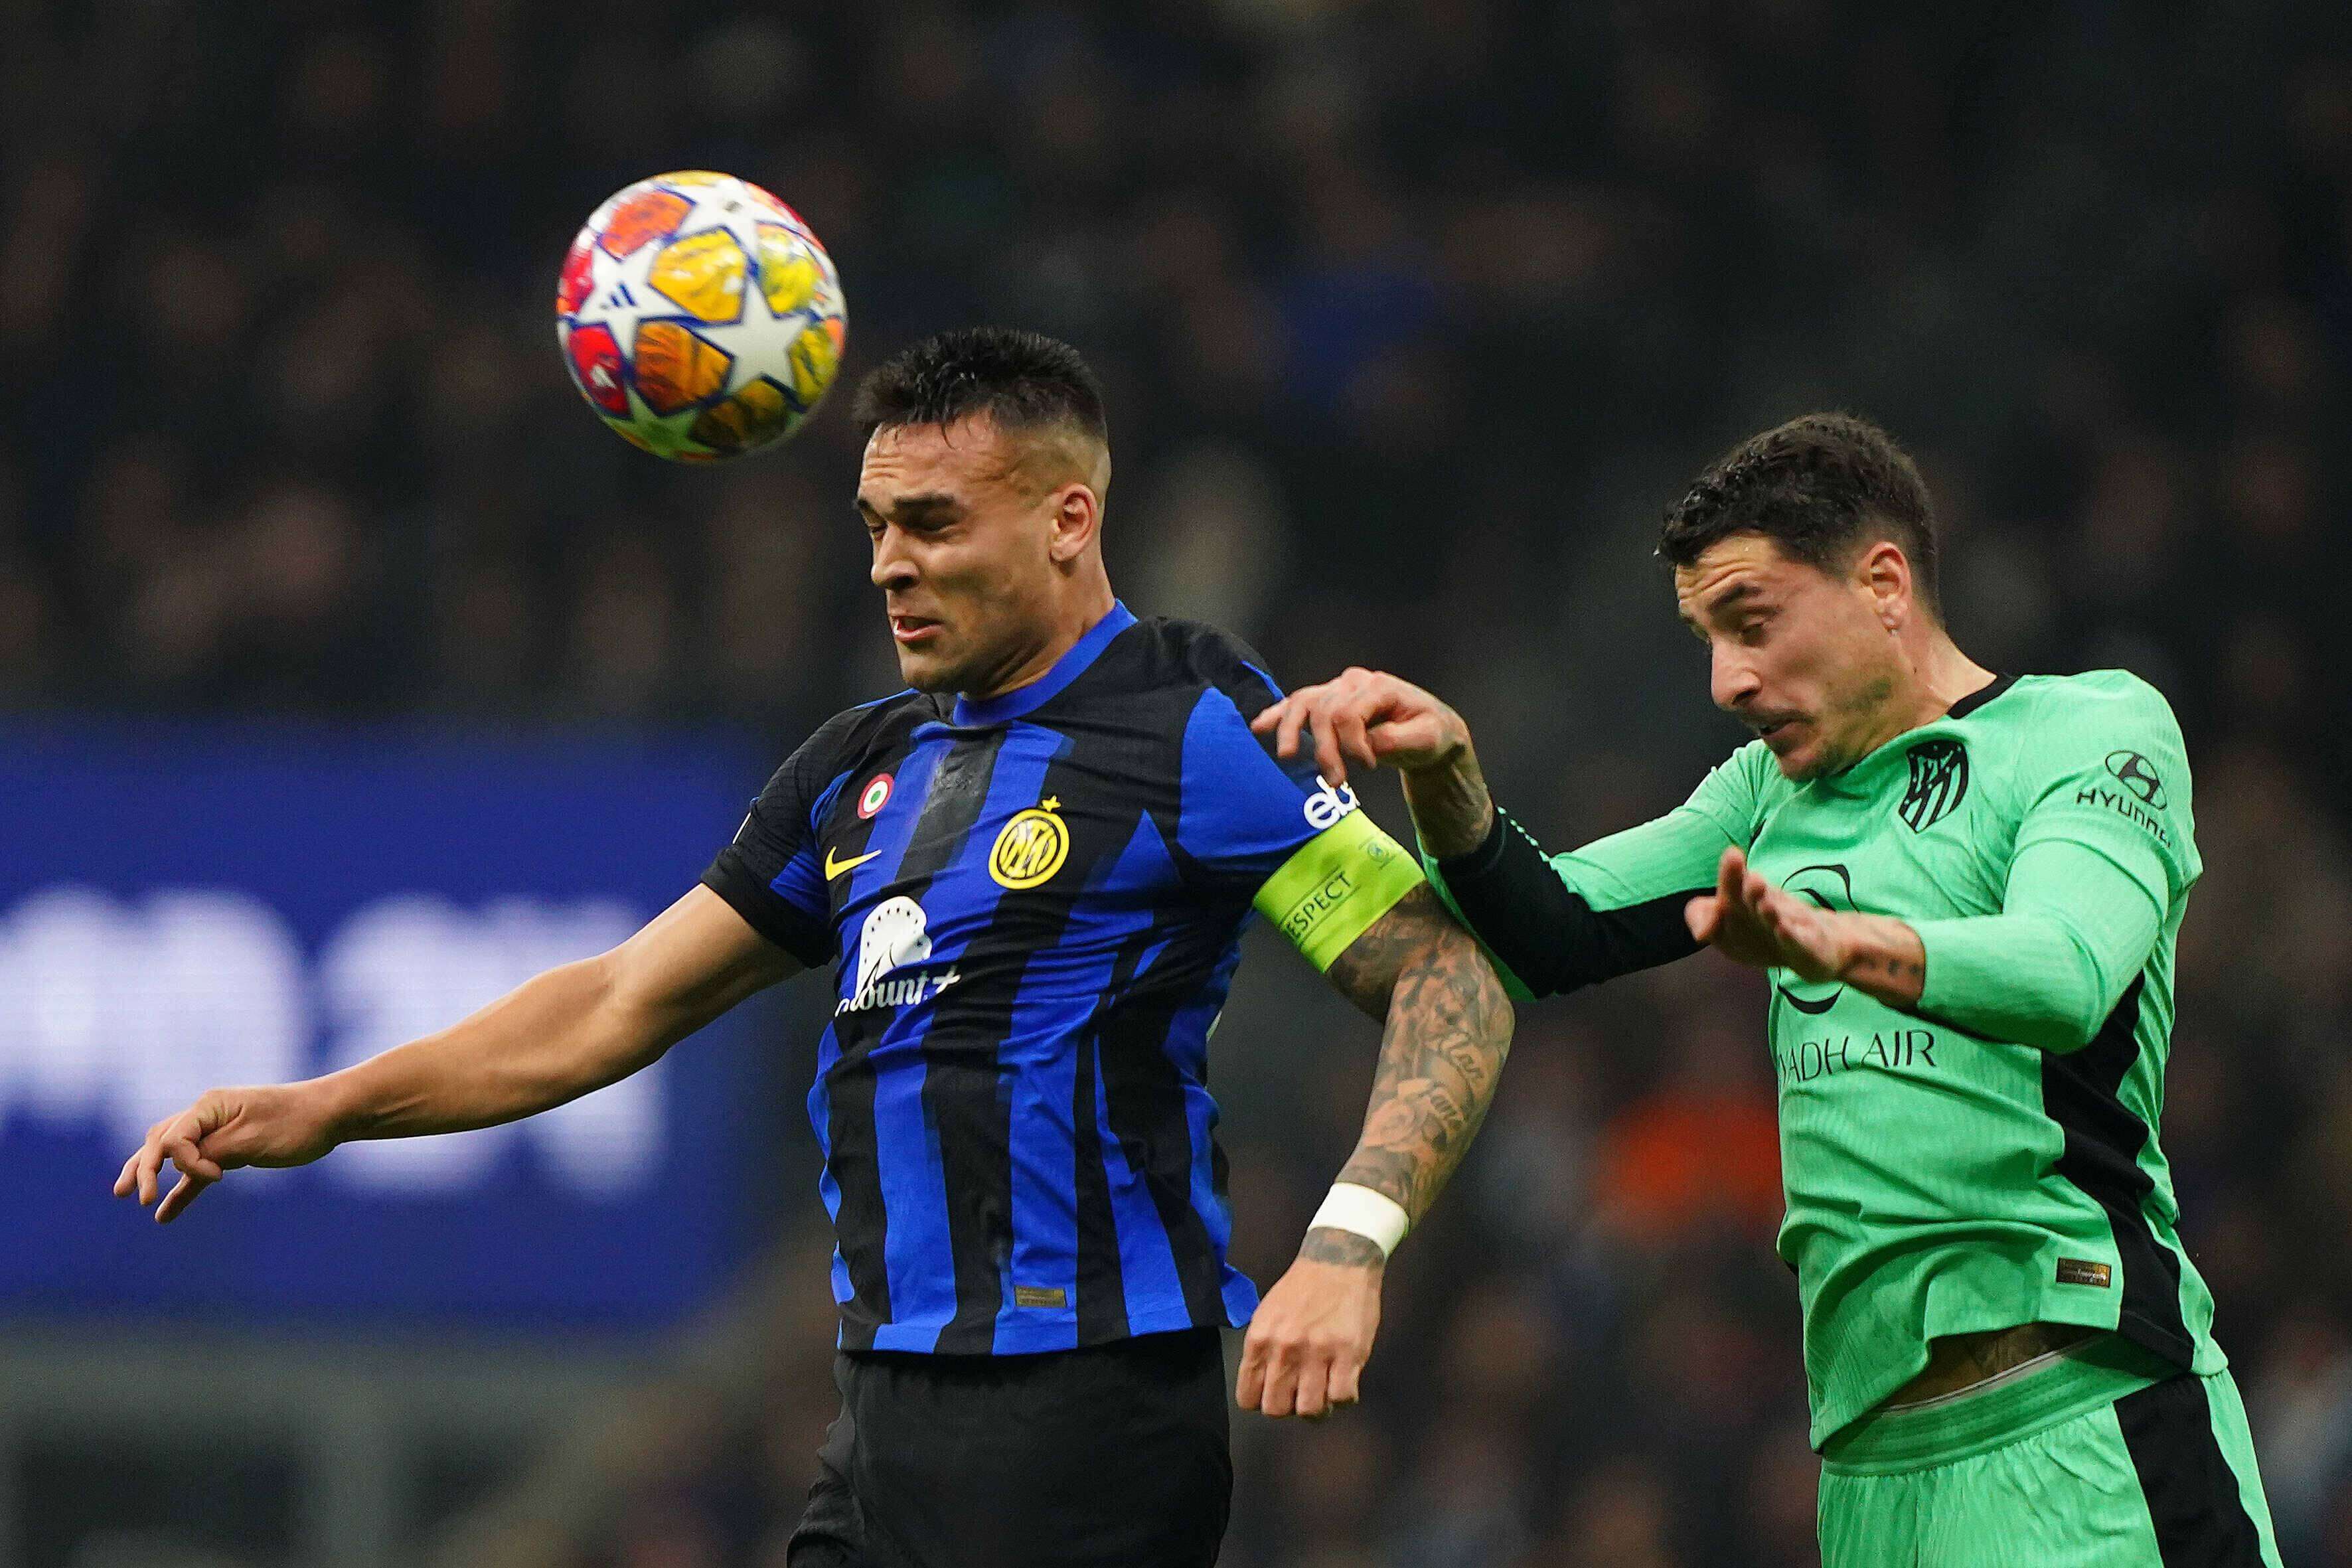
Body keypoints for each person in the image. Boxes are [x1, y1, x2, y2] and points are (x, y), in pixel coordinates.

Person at [113, 327, 1512, 1566]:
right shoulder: (859, 766)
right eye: (875, 525)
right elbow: (614, 1000)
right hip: (881, 1412)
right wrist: (328, 1104)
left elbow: (1445, 971)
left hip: (1089, 1404)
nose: (891, 563)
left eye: (933, 522)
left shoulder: (1196, 718)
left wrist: (1349, 1239)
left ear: (1067, 519)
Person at [1259, 413, 2282, 1566]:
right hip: (1869, 1478)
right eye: (1707, 639)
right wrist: (1447, 773)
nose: (1727, 680)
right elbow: (1547, 933)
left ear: (1883, 584)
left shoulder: (2087, 730)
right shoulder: (1764, 796)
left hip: (2083, 1429)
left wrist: (1838, 943)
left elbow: (2068, 971)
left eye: (1752, 623)